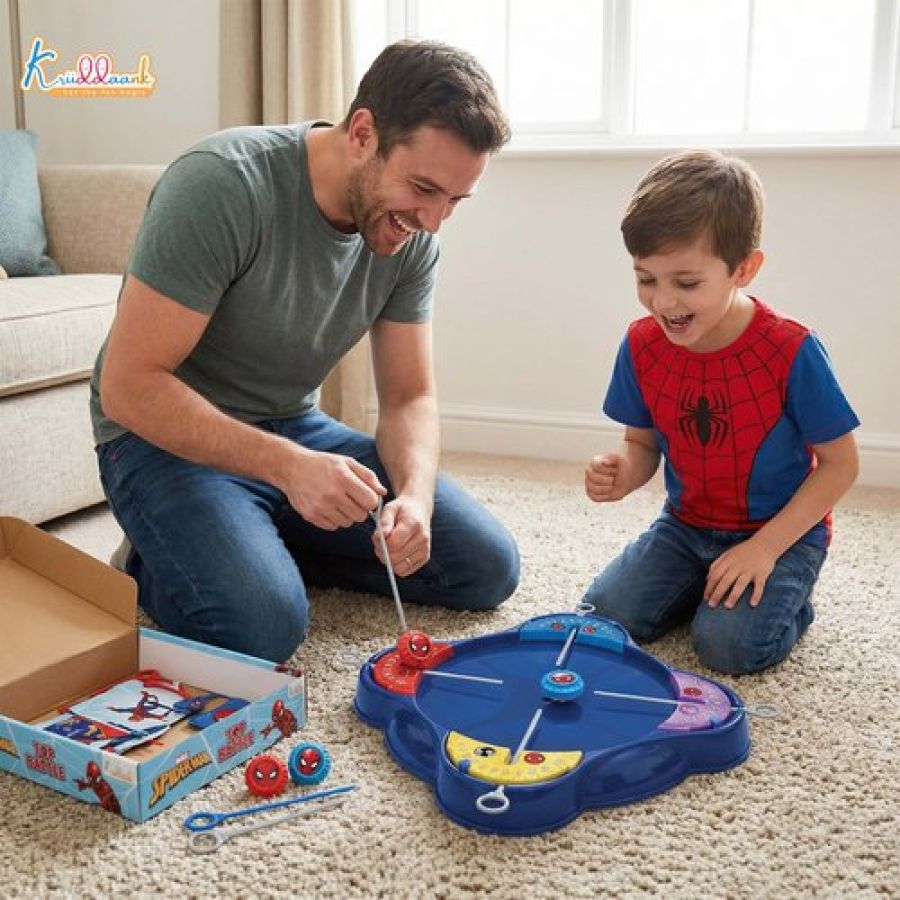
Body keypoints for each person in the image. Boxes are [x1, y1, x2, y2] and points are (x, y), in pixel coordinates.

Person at [91, 40, 520, 662]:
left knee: (484, 567)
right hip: (160, 440)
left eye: (455, 200)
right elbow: (128, 388)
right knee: (263, 627)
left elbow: (409, 395)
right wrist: (289, 468)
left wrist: (415, 498)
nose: (433, 221)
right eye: (423, 188)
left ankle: (259, 543)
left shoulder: (413, 235)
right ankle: (153, 560)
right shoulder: (223, 184)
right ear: (363, 134)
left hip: (291, 425)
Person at [581, 149, 859, 675]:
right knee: (603, 617)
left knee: (729, 648)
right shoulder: (640, 344)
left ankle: (789, 602)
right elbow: (641, 443)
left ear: (744, 269)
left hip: (781, 532)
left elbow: (841, 465)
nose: (664, 302)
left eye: (686, 283)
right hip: (686, 525)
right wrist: (623, 472)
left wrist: (764, 549)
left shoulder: (792, 349)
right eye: (646, 279)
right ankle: (705, 586)